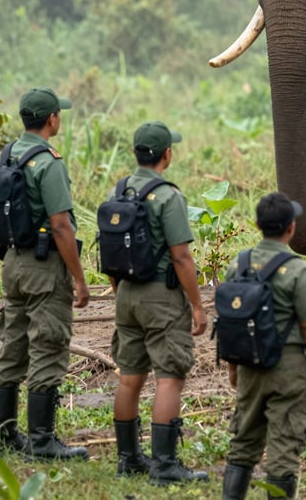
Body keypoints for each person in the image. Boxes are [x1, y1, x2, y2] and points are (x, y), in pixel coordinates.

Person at [0, 87, 90, 460]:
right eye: (58, 115)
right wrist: (79, 278)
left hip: (13, 263)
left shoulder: (9, 153)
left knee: (13, 347)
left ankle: (4, 436)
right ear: (52, 119)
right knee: (48, 344)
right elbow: (61, 226)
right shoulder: (48, 162)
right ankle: (42, 441)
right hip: (43, 266)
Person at [109, 121, 209, 485]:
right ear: (168, 154)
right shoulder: (169, 196)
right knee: (169, 378)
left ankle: (128, 460)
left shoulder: (118, 190)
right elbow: (181, 256)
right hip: (160, 297)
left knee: (129, 379)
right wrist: (197, 305)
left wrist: (120, 288)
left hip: (126, 295)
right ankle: (165, 466)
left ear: (136, 152)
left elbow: (112, 248)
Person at [222, 192, 306, 500]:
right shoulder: (299, 271)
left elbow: (232, 321)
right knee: (285, 443)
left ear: (257, 224)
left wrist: (233, 367)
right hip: (289, 368)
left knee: (243, 438)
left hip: (249, 365)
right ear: (291, 229)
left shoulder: (238, 265)